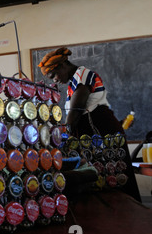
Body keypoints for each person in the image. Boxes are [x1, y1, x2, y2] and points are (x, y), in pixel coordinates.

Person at [38, 47, 141, 202]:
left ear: (62, 65)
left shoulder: (82, 76)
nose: (55, 80)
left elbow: (75, 111)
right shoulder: (74, 81)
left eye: (53, 75)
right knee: (102, 179)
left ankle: (127, 215)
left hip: (101, 133)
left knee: (114, 176)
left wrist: (63, 137)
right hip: (96, 132)